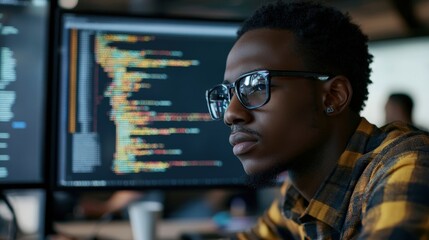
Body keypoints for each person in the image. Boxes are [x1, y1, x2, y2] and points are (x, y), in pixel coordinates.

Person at [205, 1, 429, 239]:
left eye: (257, 86)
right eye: (228, 94)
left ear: (333, 97)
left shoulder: (408, 163)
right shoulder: (298, 195)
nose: (230, 113)